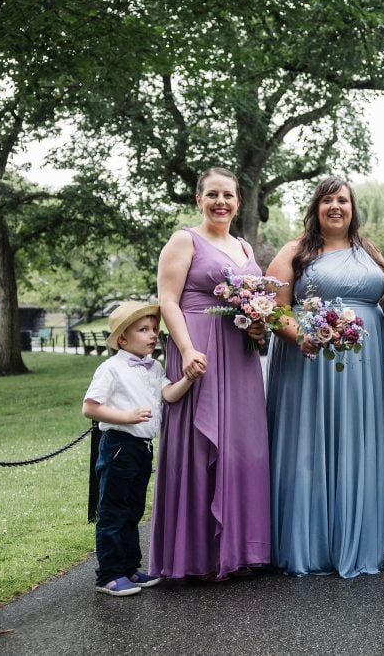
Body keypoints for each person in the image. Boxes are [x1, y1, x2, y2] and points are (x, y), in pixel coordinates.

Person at [265, 177, 384, 578]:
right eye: (327, 200)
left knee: (357, 442)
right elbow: (273, 309)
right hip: (309, 361)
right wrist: (300, 336)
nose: (336, 207)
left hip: (362, 367)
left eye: (343, 200)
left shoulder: (368, 251)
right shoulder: (296, 251)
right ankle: (308, 541)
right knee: (310, 441)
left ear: (353, 208)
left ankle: (359, 536)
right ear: (315, 207)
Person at [151, 167, 271, 580]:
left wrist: (259, 327)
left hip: (240, 357)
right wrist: (185, 349)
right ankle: (196, 555)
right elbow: (167, 300)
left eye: (229, 196)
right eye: (213, 195)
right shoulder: (184, 240)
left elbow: (256, 303)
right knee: (199, 449)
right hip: (198, 348)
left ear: (238, 202)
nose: (222, 202)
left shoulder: (244, 247)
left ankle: (240, 550)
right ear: (198, 200)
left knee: (244, 447)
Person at [83, 302, 197, 596]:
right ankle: (108, 575)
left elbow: (168, 394)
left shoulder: (154, 366)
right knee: (113, 512)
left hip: (143, 448)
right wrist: (127, 416)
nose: (151, 335)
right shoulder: (111, 369)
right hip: (119, 446)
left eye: (154, 329)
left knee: (133, 510)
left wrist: (188, 378)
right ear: (122, 338)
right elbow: (90, 408)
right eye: (143, 330)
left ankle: (130, 568)